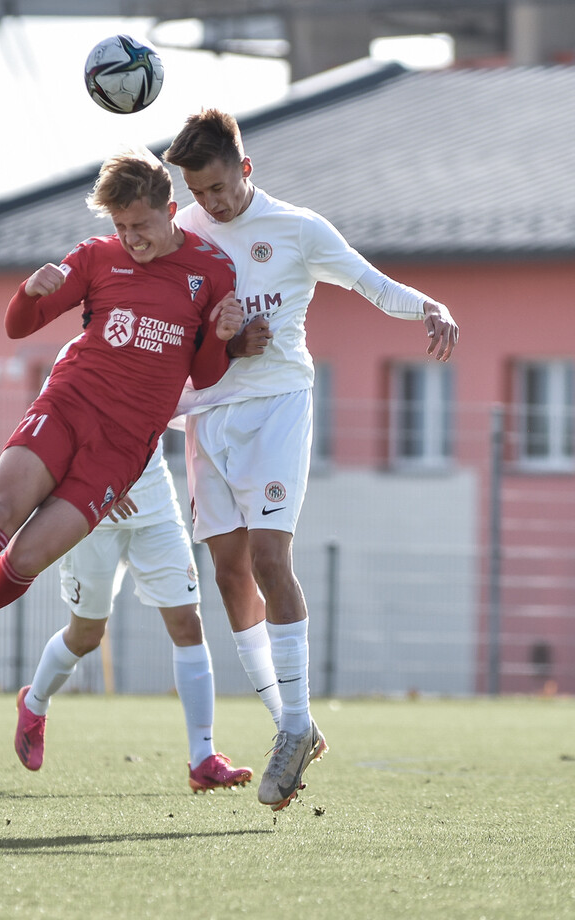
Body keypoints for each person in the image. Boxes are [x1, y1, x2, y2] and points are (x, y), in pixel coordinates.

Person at [163, 109, 460, 811]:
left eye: (218, 186)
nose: (210, 202)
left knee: (271, 559)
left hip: (278, 408)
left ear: (245, 169)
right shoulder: (185, 235)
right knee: (229, 573)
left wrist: (430, 306)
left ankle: (295, 726)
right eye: (198, 191)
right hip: (207, 414)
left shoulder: (298, 228)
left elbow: (367, 282)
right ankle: (290, 723)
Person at [0, 149, 243, 706]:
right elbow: (19, 326)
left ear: (171, 209)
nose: (131, 238)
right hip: (68, 406)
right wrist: (30, 291)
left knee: (24, 561)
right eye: (120, 226)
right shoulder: (97, 257)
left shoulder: (212, 270)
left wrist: (221, 334)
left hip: (121, 451)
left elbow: (205, 373)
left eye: (140, 225)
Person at [13, 421, 253, 792]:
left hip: (157, 512)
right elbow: (54, 432)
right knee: (86, 636)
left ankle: (203, 758)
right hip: (91, 513)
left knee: (188, 625)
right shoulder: (75, 362)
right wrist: (99, 480)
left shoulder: (165, 362)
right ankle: (35, 702)